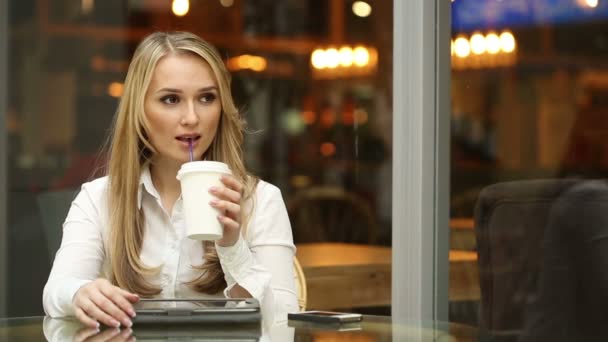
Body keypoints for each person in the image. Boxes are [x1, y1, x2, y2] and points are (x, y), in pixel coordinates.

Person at [42, 31, 298, 329]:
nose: (191, 117)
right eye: (171, 99)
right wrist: (79, 293)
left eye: (206, 97)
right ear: (139, 109)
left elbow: (285, 319)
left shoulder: (261, 200)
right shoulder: (98, 198)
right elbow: (56, 292)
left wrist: (232, 247)